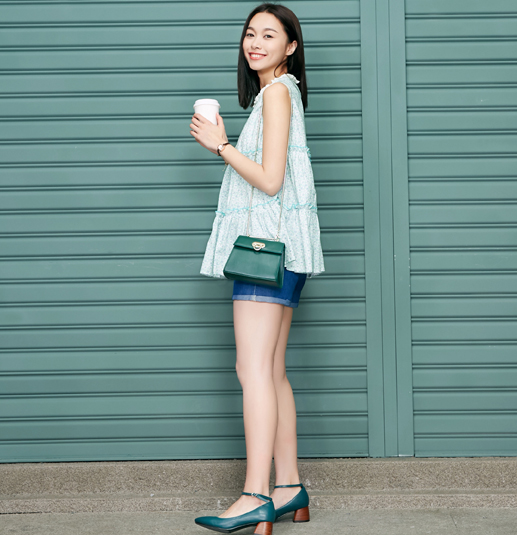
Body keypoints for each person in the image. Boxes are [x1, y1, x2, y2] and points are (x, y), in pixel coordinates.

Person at [189, 2, 325, 534]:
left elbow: (269, 180)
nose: (256, 43)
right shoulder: (281, 93)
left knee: (252, 372)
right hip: (285, 251)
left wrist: (220, 145)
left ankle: (254, 496)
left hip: (263, 251)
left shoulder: (275, 94)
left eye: (270, 35)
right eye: (250, 33)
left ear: (291, 46)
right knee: (271, 371)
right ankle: (288, 488)